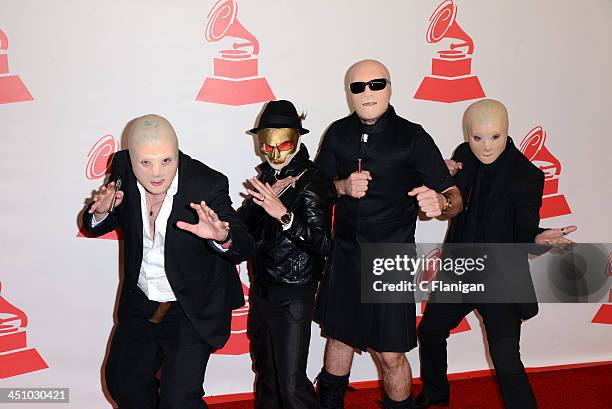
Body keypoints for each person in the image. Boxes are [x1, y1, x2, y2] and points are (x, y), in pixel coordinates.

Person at [314, 59, 463, 409]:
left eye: (376, 84)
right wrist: (342, 186)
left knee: (392, 354)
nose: (368, 93)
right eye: (358, 87)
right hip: (346, 253)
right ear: (349, 94)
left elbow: (455, 198)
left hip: (390, 259)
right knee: (338, 338)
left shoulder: (413, 136)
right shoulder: (337, 133)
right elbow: (315, 189)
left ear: (390, 87)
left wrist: (440, 201)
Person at [82, 114, 254, 409]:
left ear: (178, 153)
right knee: (123, 384)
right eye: (145, 163)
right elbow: (94, 223)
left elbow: (243, 244)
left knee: (178, 400)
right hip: (141, 303)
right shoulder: (121, 167)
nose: (156, 172)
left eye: (166, 160)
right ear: (131, 158)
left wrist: (221, 235)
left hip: (189, 307)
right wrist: (100, 212)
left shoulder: (206, 184)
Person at [415, 99, 575, 409]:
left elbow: (523, 228)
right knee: (431, 331)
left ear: (506, 132)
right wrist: (441, 174)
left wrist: (538, 237)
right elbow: (450, 197)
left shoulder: (527, 175)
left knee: (505, 358)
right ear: (468, 135)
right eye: (477, 138)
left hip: (499, 280)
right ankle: (436, 394)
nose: (486, 146)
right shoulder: (463, 156)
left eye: (495, 137)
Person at [237, 100, 337, 409]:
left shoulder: (312, 182)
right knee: (267, 376)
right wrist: (258, 204)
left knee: (292, 384)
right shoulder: (266, 179)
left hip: (294, 293)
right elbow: (244, 234)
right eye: (266, 144)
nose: (274, 151)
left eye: (282, 143)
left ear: (296, 138)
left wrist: (285, 216)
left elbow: (324, 244)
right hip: (263, 290)